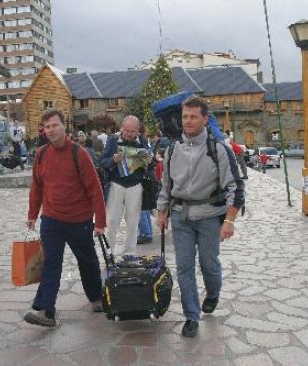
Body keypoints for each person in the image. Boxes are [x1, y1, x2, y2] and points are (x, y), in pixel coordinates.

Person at [157, 96, 245, 338]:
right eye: (185, 116)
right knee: (184, 268)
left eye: (193, 116)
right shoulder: (173, 149)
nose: (188, 121)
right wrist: (162, 211)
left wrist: (229, 220)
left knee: (209, 264)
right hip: (181, 216)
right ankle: (191, 316)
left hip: (209, 217)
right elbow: (165, 184)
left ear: (205, 119)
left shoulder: (218, 150)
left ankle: (213, 293)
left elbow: (235, 187)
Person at [25, 109, 106, 327]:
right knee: (51, 262)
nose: (50, 130)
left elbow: (95, 189)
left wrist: (100, 222)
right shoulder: (41, 154)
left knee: (87, 261)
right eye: (47, 127)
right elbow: (37, 187)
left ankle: (96, 296)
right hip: (52, 219)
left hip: (79, 220)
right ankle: (46, 310)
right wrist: (33, 214)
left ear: (64, 126)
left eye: (54, 125)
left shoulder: (79, 153)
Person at [101, 116, 151, 256]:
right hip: (117, 184)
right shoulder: (113, 140)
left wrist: (149, 161)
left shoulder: (142, 140)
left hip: (135, 185)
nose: (128, 134)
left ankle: (129, 253)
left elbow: (149, 163)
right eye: (126, 130)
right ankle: (108, 253)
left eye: (132, 131)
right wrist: (113, 160)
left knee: (133, 222)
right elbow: (103, 161)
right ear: (121, 128)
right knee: (112, 221)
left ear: (137, 131)